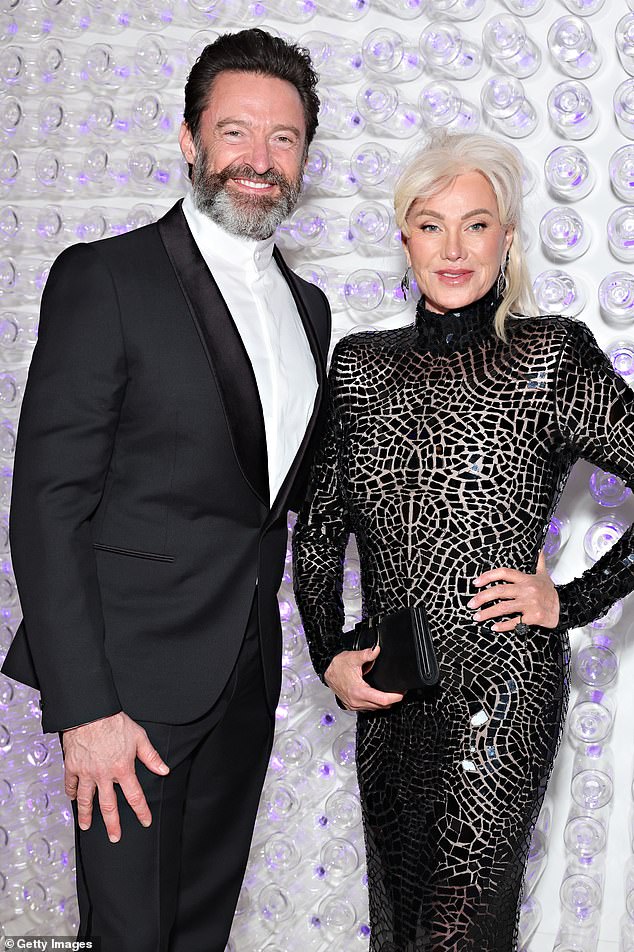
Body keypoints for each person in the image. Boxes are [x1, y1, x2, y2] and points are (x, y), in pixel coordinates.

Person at [1, 28, 331, 952]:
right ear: (190, 142)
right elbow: (47, 508)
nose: (258, 161)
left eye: (283, 138)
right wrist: (85, 711)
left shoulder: (311, 310)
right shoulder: (104, 278)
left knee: (199, 934)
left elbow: (274, 506)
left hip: (245, 680)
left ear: (305, 155)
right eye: (235, 133)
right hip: (128, 699)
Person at [292, 130, 634, 952]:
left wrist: (572, 598)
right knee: (402, 929)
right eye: (431, 223)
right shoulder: (360, 366)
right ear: (404, 236)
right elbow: (320, 527)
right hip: (391, 693)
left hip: (503, 693)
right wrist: (328, 652)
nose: (453, 248)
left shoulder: (549, 357)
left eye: (476, 225)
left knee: (456, 933)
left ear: (507, 239)